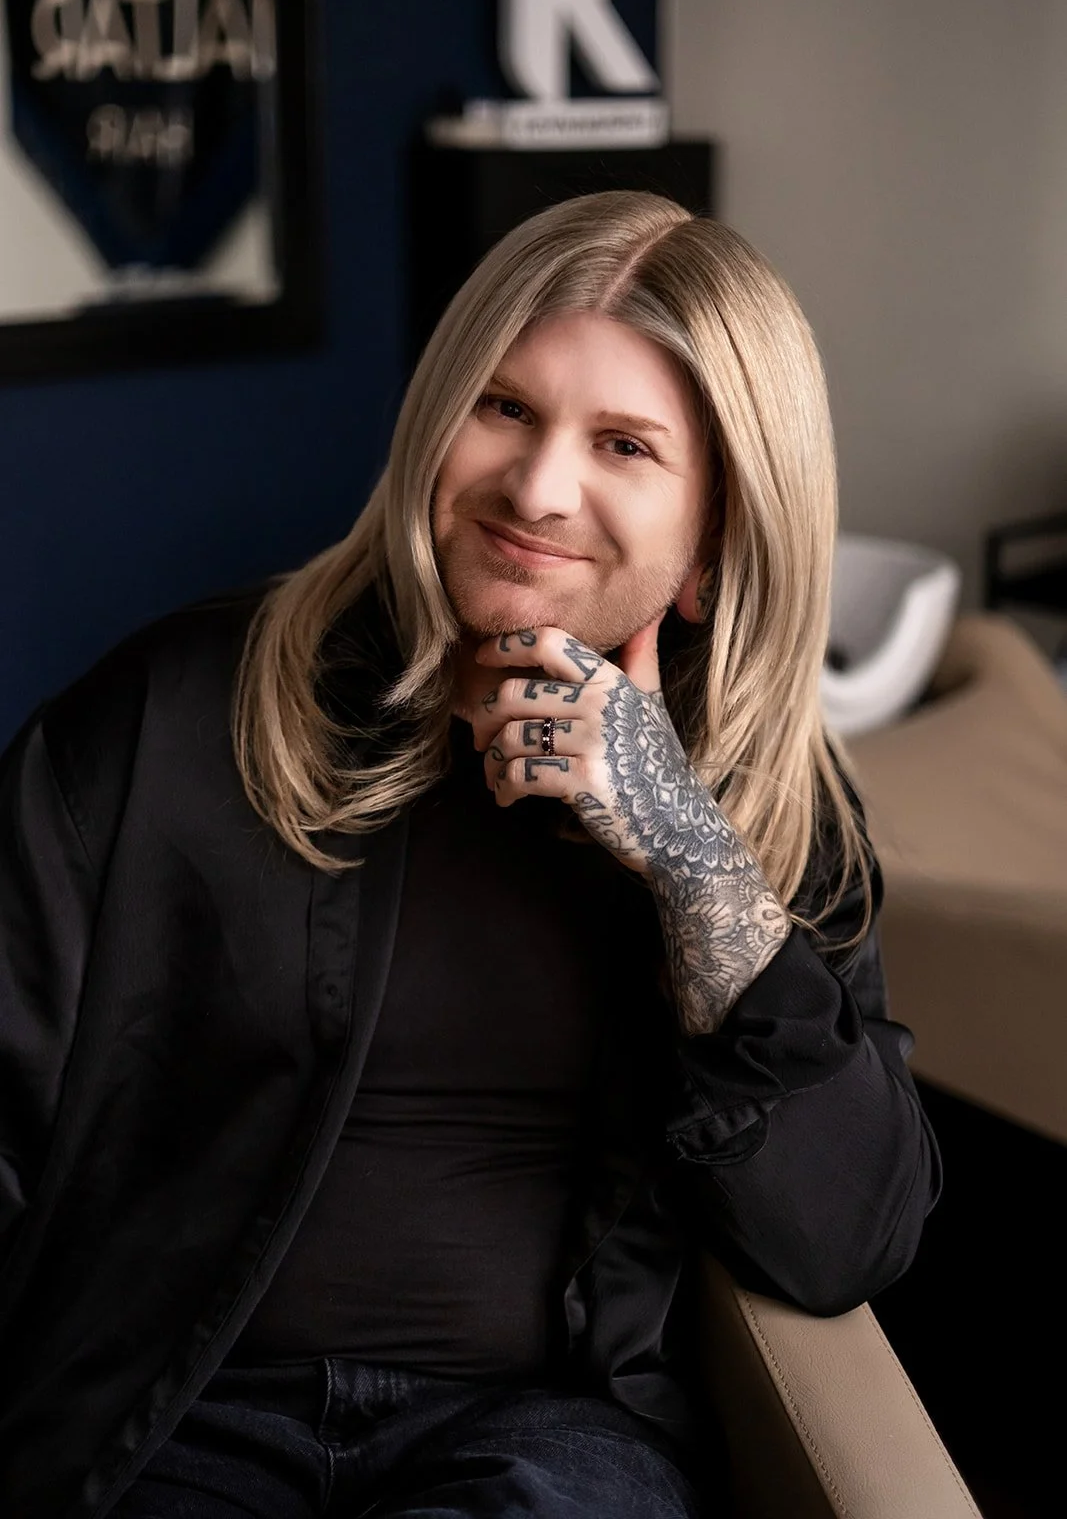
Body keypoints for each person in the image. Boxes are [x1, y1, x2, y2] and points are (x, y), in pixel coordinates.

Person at [0, 190, 940, 1519]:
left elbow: (847, 1236)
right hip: (173, 1421)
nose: (538, 488)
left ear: (714, 541)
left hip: (551, 1443)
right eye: (503, 407)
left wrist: (686, 858)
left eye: (623, 444)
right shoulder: (174, 710)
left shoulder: (771, 810)